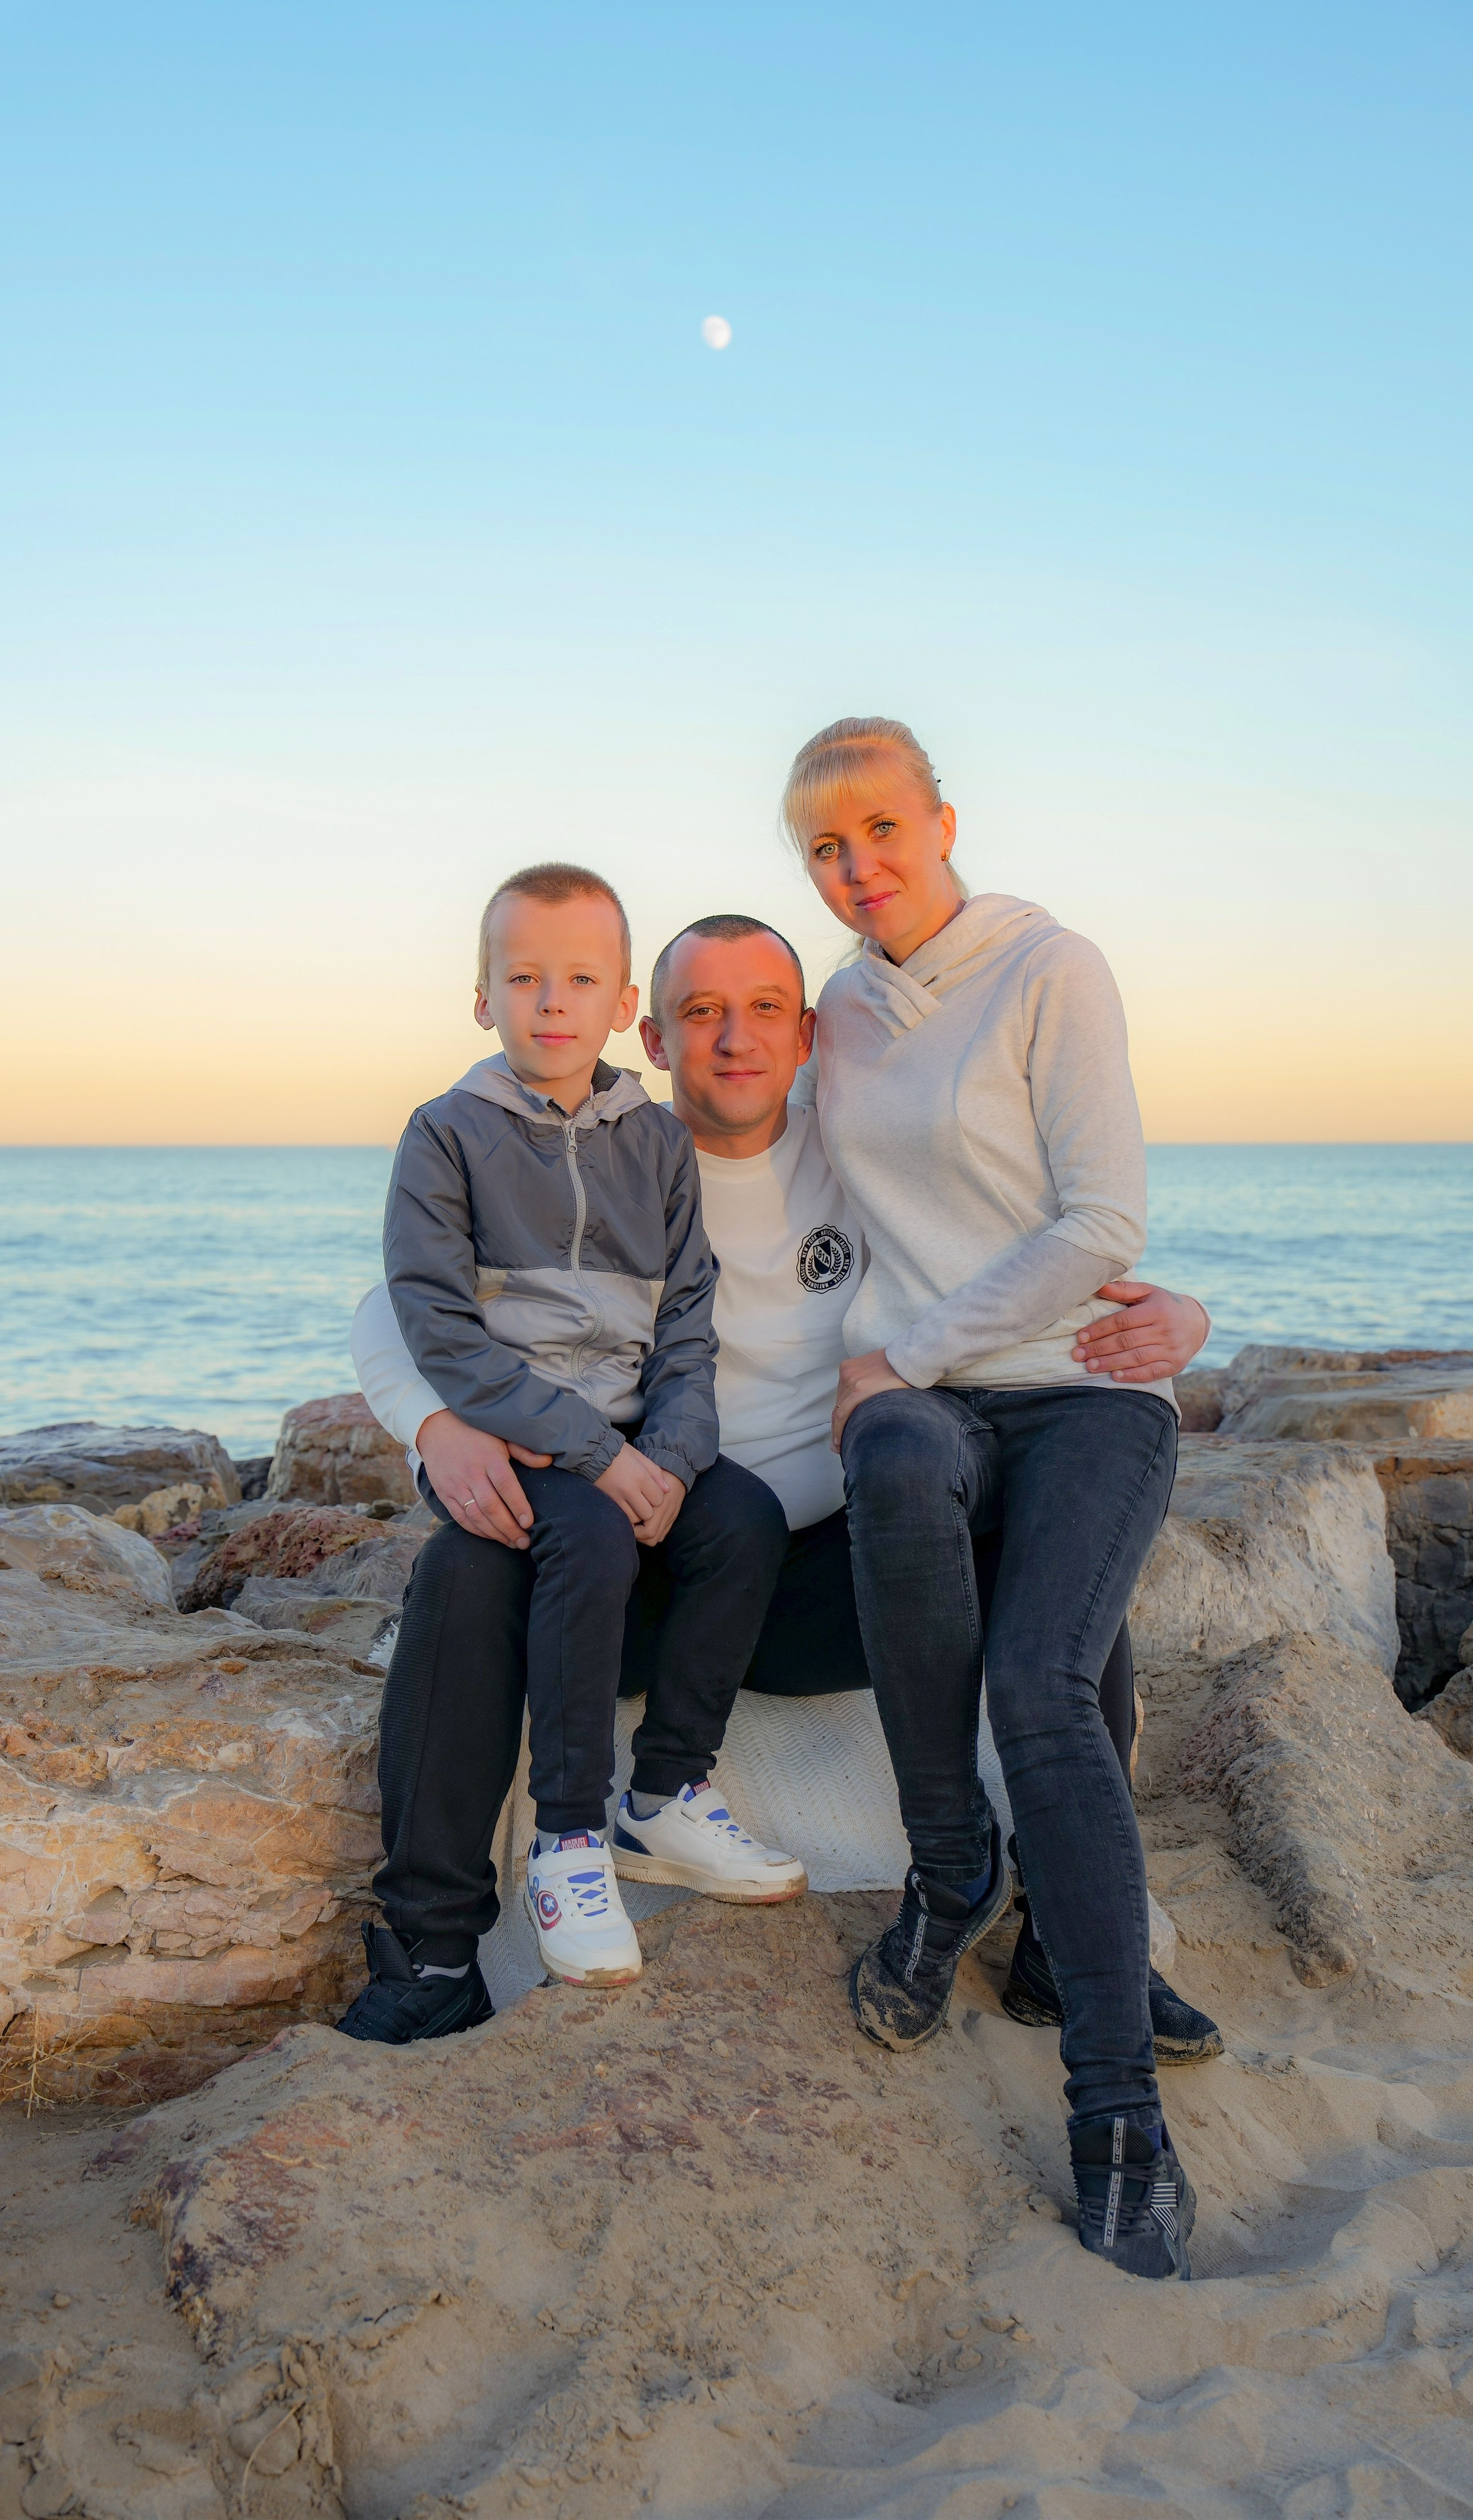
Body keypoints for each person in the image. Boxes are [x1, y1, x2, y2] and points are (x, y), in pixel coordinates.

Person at [350, 906, 1220, 2065]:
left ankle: (1063, 1947)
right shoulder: (609, 1157)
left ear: (807, 1033)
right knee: (462, 1566)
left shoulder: (859, 1152)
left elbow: (1022, 1257)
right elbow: (391, 1303)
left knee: (1042, 1556)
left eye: (764, 1009)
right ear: (651, 1038)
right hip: (655, 1571)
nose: (734, 1039)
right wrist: (434, 1428)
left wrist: (1189, 1314)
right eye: (700, 1012)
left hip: (825, 1576)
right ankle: (432, 1958)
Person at [788, 715, 1199, 2280]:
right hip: (934, 1412)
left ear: (941, 819)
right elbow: (773, 1179)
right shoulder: (840, 1010)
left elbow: (1103, 1217)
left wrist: (904, 1348)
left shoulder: (1052, 967)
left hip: (1085, 1395)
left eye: (879, 831)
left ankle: (1114, 2111)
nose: (856, 869)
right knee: (886, 1459)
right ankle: (950, 1862)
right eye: (824, 848)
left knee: (1041, 1679)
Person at [344, 860, 805, 2038]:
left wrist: (679, 1459)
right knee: (500, 1562)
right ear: (483, 996)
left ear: (617, 1012)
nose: (553, 1002)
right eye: (525, 978)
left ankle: (668, 1793)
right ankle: (558, 1850)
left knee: (741, 1516)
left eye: (581, 980)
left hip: (647, 1457)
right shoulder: (446, 1133)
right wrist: (576, 1456)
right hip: (533, 1452)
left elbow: (688, 1324)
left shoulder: (655, 1143)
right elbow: (427, 1319)